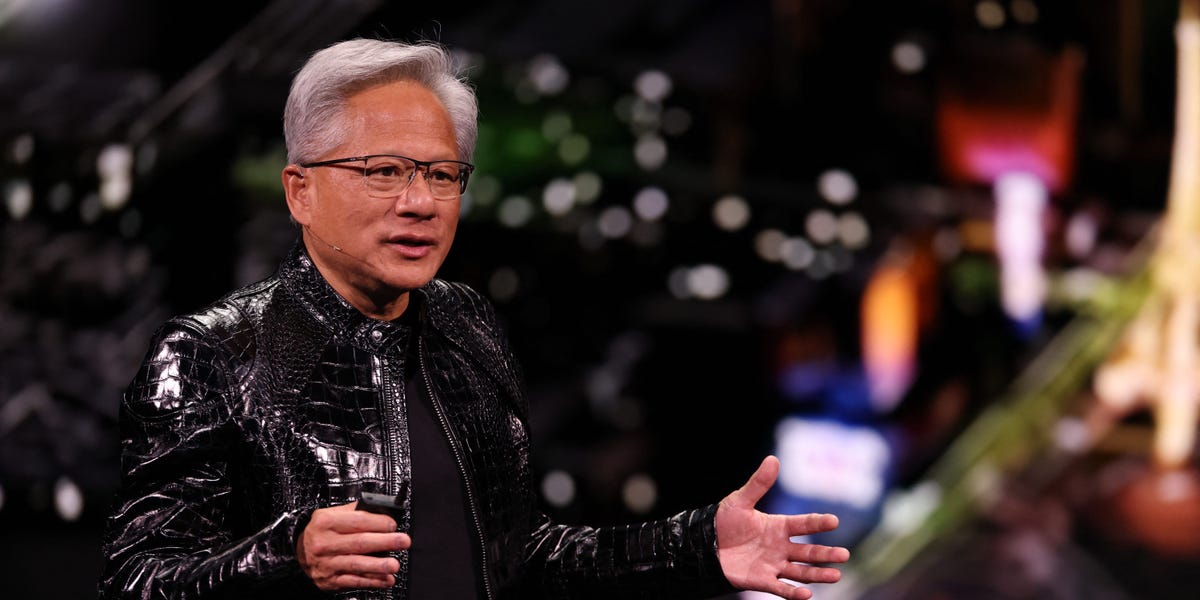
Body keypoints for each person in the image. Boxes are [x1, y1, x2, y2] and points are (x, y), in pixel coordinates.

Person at [98, 37, 850, 600]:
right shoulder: (208, 356)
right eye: (383, 172)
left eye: (441, 174)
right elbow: (138, 582)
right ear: (301, 191)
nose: (420, 202)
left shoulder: (466, 325)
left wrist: (696, 546)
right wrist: (286, 557)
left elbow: (518, 554)